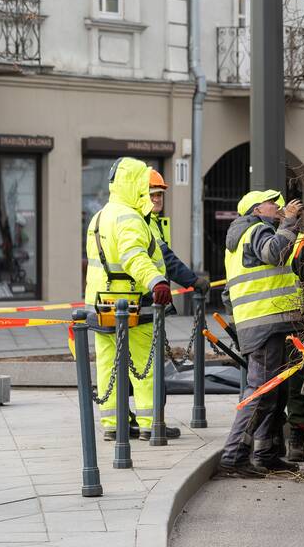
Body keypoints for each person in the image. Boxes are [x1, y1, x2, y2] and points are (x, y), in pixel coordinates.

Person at [84, 157, 181, 442]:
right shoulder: (129, 217)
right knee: (144, 365)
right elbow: (132, 256)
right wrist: (156, 281)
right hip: (132, 305)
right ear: (134, 183)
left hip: (100, 304)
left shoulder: (99, 216)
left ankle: (113, 424)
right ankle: (151, 423)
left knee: (107, 365)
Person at [219, 189, 304, 475]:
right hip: (264, 323)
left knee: (274, 392)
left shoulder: (249, 233)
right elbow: (275, 253)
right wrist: (289, 222)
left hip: (266, 322)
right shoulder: (255, 230)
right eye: (273, 203)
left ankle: (266, 451)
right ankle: (234, 455)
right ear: (257, 210)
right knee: (262, 391)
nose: (280, 206)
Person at [147, 169, 211, 299]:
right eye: (151, 195)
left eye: (159, 195)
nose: (156, 199)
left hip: (153, 294)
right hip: (148, 295)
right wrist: (193, 280)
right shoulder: (146, 222)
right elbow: (166, 258)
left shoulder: (154, 221)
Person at [283, 232, 304, 462]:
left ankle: (296, 436)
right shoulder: (252, 238)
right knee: (268, 387)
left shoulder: (299, 244)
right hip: (261, 323)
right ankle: (271, 439)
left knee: (295, 383)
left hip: (294, 323)